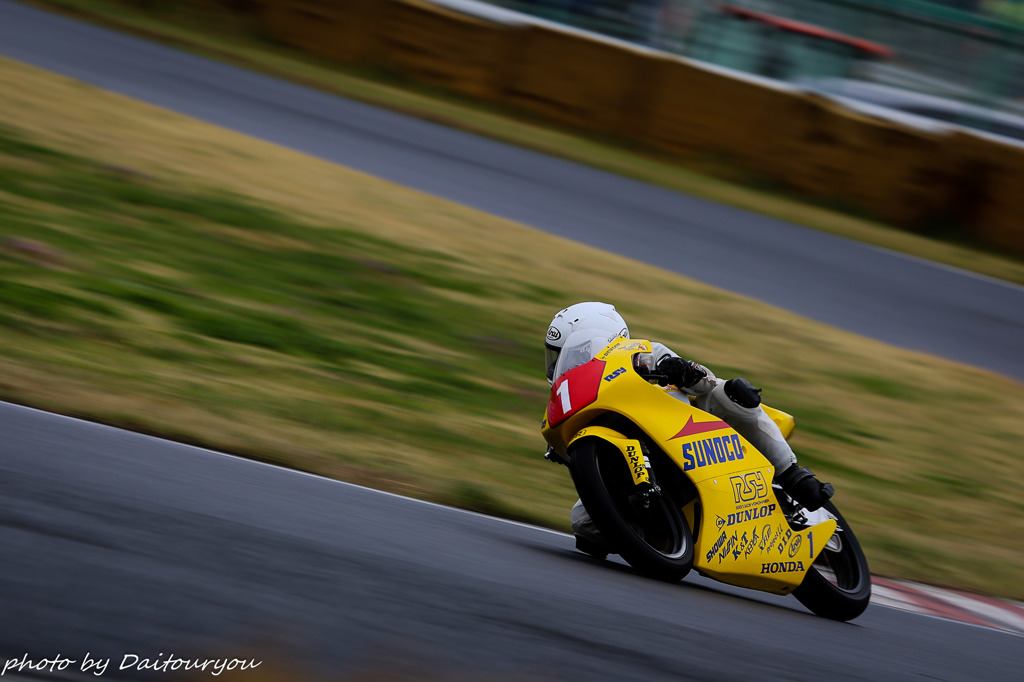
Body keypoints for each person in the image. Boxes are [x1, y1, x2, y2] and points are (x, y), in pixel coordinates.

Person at [544, 302, 834, 551]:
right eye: (557, 356)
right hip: (647, 469)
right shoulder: (574, 396)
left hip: (691, 429)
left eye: (573, 352)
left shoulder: (641, 352)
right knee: (582, 524)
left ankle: (792, 474)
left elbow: (703, 380)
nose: (561, 364)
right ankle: (658, 536)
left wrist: (683, 370)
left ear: (597, 341)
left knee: (731, 392)